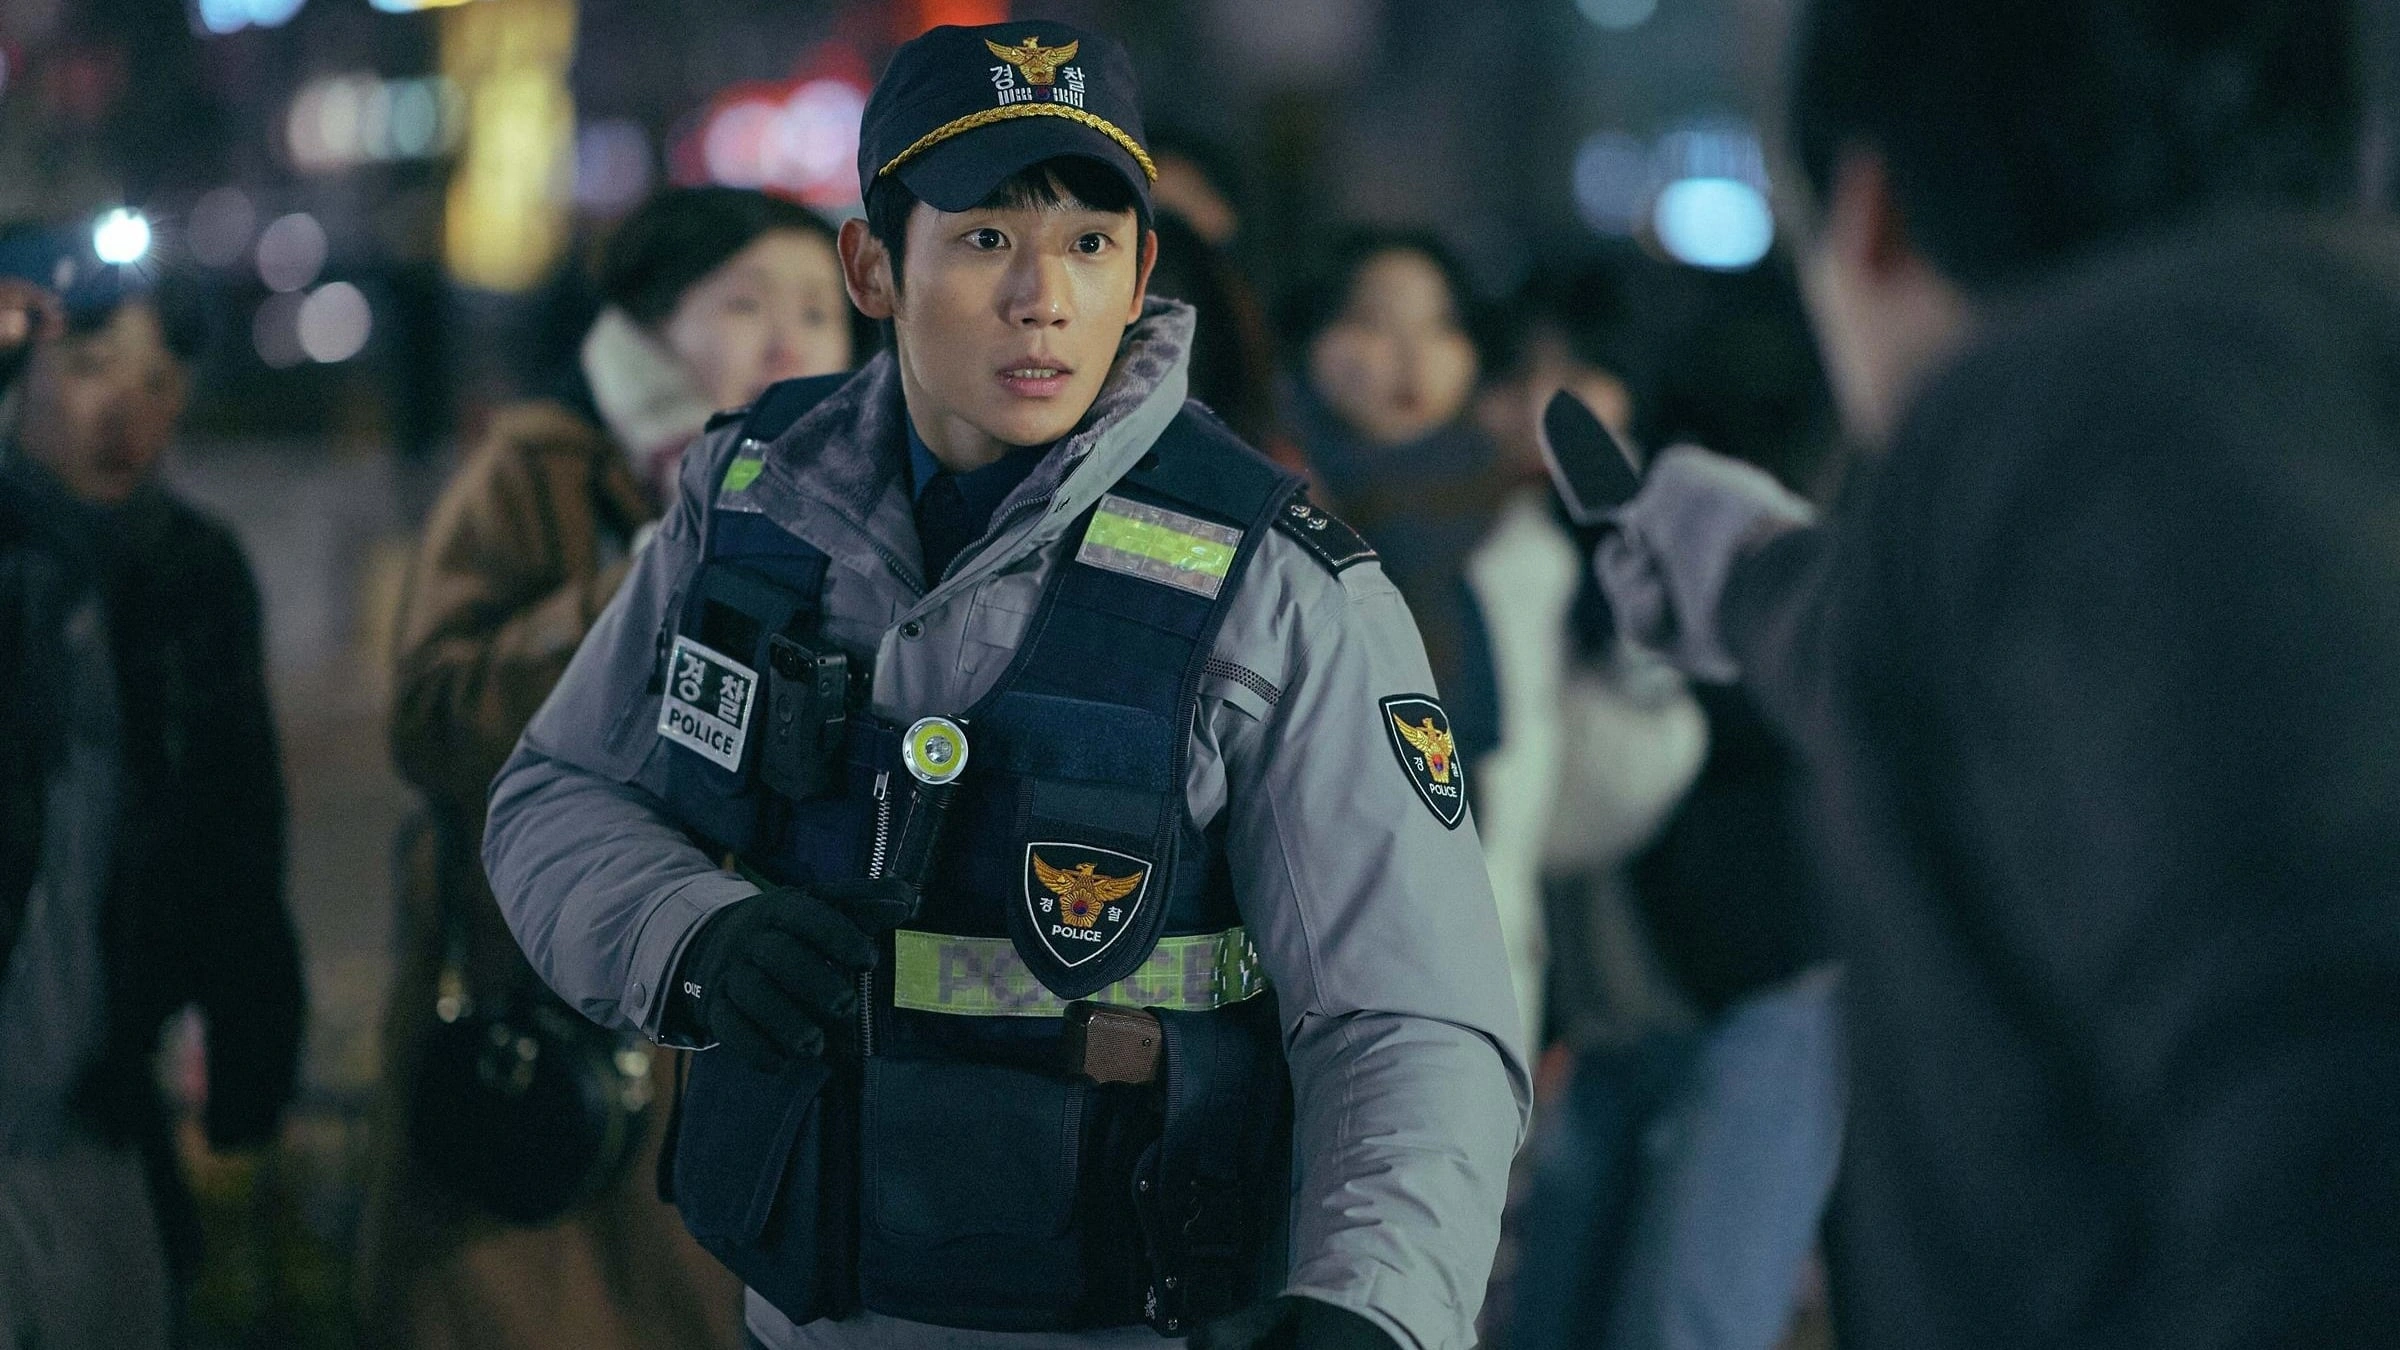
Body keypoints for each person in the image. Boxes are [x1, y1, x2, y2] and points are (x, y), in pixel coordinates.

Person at [480, 19, 1527, 1350]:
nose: (1044, 297)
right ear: (873, 265)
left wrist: (1373, 1308)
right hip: (803, 1310)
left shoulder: (1275, 584)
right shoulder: (750, 501)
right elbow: (556, 794)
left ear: (1142, 274)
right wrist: (689, 933)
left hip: (1130, 1315)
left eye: (1089, 243)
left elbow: (1412, 1013)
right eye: (985, 237)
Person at [1589, 0, 2399, 1344]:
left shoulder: (2116, 414)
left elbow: (2338, 1116)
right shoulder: (2303, 401)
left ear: (1872, 213)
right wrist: (1739, 571)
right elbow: (1990, 688)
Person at [361, 186, 854, 1350]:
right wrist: (650, 573)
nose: (789, 340)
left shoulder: (860, 499)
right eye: (745, 304)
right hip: (551, 1030)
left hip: (750, 1035)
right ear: (648, 327)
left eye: (819, 311)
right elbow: (434, 721)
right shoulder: (540, 472)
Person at [0, 234, 306, 1348]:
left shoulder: (192, 571)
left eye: (161, 382)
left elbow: (238, 821)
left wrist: (252, 1037)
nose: (124, 413)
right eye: (88, 370)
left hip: (98, 1107)